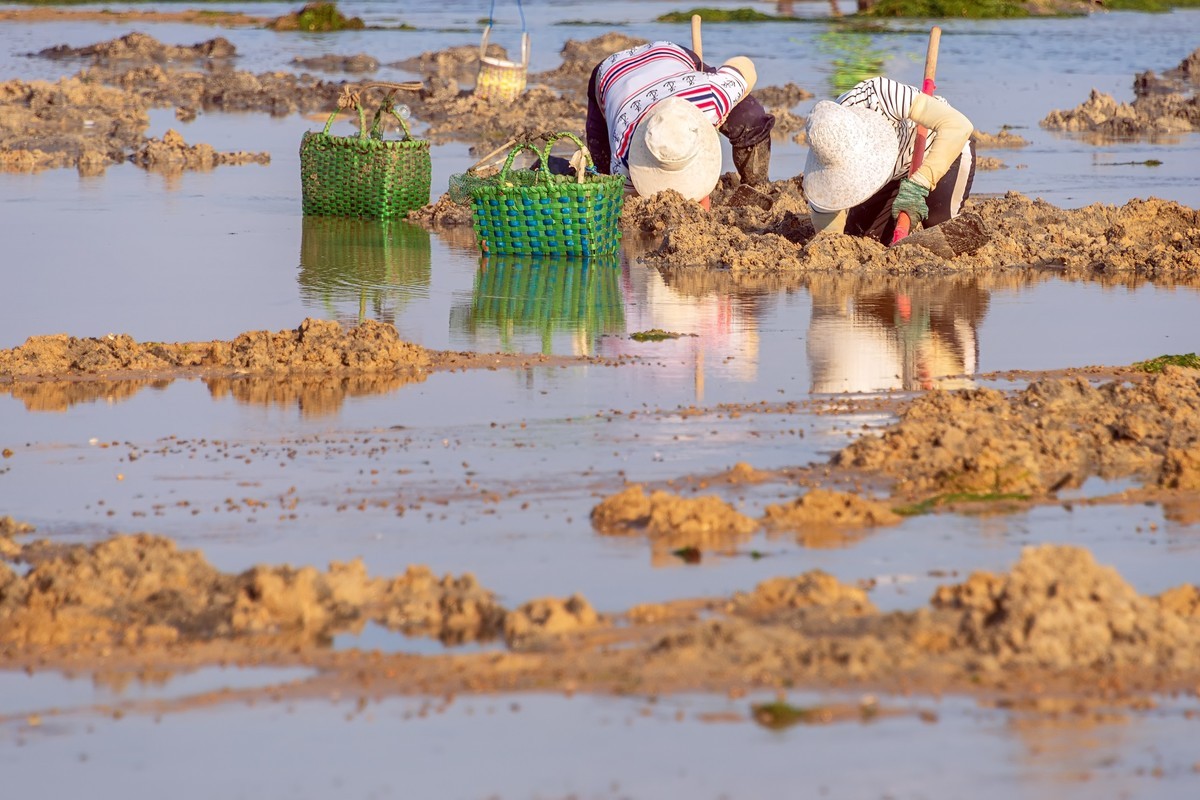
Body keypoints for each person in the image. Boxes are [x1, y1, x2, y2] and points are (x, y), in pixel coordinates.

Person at [585, 41, 775, 208]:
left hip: (667, 55)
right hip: (610, 72)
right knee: (601, 178)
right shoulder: (623, 155)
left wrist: (724, 109)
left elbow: (744, 66)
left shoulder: (709, 99)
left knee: (750, 117)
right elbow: (626, 203)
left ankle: (756, 183)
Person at [803, 76, 975, 243]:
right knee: (863, 240)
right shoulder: (824, 147)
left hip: (941, 151)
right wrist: (833, 246)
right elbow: (827, 226)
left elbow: (958, 126)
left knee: (940, 229)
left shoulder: (877, 96)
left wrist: (919, 184)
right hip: (893, 175)